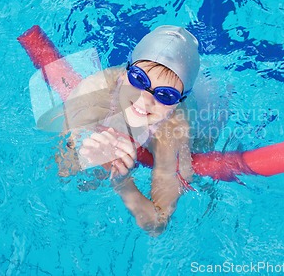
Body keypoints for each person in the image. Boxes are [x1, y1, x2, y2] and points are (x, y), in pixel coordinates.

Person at [56, 25, 200, 235]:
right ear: (125, 74)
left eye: (165, 95)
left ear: (178, 103)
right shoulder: (93, 90)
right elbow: (63, 170)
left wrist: (122, 182)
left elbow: (158, 224)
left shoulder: (175, 129)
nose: (145, 99)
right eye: (139, 79)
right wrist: (89, 157)